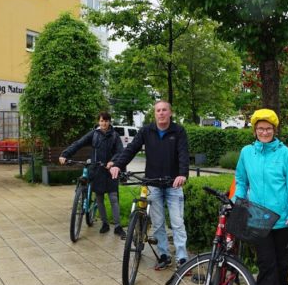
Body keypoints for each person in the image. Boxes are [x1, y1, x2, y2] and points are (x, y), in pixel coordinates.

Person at [233, 109, 288, 285]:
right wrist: (236, 202)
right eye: (261, 128)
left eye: (268, 128)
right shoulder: (247, 153)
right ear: (254, 130)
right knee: (267, 265)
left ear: (274, 130)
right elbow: (241, 181)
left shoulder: (285, 154)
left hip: (282, 220)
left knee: (282, 268)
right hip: (257, 218)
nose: (264, 132)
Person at [110, 100, 190, 270]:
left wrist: (182, 174)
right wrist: (118, 164)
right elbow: (131, 149)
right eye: (158, 110)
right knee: (158, 223)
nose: (161, 113)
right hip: (153, 183)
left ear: (170, 113)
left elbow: (183, 153)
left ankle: (182, 258)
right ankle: (164, 255)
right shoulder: (146, 131)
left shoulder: (178, 131)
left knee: (177, 223)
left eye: (164, 110)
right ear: (155, 113)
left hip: (173, 184)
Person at [59, 112, 124, 235]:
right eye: (101, 121)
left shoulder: (115, 136)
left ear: (109, 122)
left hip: (110, 171)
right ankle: (105, 224)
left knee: (113, 198)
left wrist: (112, 161)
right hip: (97, 170)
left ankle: (118, 226)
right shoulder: (94, 134)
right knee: (99, 198)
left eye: (106, 121)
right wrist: (65, 154)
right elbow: (79, 143)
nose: (103, 123)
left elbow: (120, 151)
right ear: (98, 122)